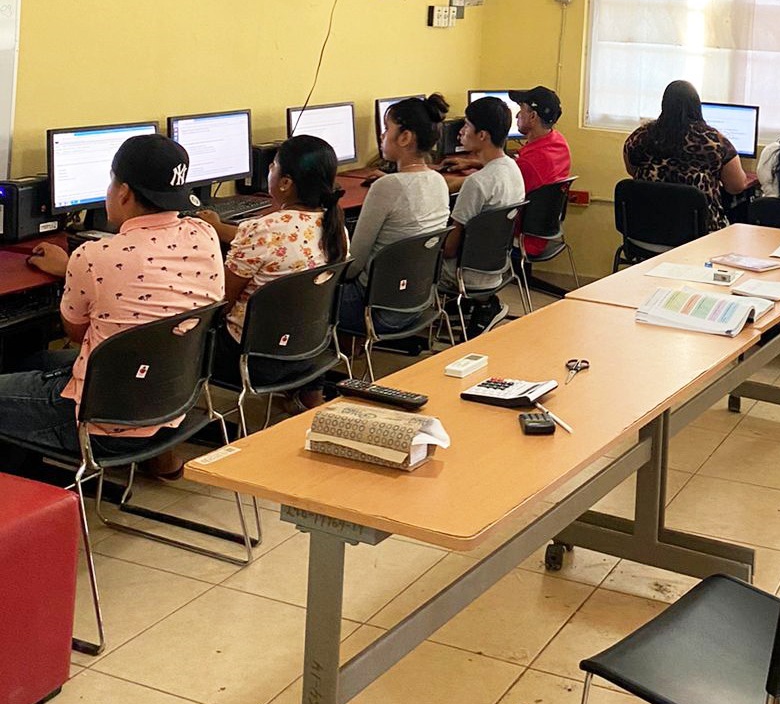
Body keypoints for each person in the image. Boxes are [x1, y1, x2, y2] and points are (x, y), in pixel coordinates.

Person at [0, 135, 223, 476]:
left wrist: (75, 269)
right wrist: (74, 268)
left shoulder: (94, 256)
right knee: (34, 361)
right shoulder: (204, 234)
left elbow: (76, 333)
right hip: (173, 405)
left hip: (98, 426)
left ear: (124, 193)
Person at [198, 135, 348, 399]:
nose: (269, 169)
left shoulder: (262, 229)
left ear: (285, 183)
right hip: (310, 350)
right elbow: (274, 241)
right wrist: (220, 228)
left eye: (273, 165)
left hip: (252, 361)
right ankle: (309, 398)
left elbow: (222, 303)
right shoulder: (336, 229)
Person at [340, 94, 451, 336]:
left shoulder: (387, 187)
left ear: (405, 137)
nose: (381, 136)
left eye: (386, 129)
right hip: (417, 303)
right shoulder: (438, 181)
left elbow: (352, 267)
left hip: (374, 311)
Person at [441, 95, 525, 335]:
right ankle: (482, 304)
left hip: (465, 274)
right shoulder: (512, 168)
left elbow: (449, 249)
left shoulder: (477, 183)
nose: (460, 132)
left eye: (466, 125)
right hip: (496, 268)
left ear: (482, 135)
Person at [622, 80, 748, 231]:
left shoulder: (639, 137)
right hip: (700, 237)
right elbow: (736, 186)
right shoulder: (715, 141)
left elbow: (631, 170)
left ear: (664, 104)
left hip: (644, 232)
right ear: (696, 106)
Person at [508, 86, 571, 257]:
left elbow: (498, 184)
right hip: (544, 232)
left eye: (521, 109)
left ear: (533, 116)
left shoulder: (529, 163)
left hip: (524, 239)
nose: (517, 115)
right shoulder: (558, 141)